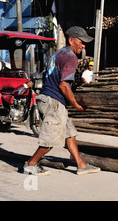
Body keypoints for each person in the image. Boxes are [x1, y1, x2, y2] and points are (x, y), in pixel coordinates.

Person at [24, 26, 100, 176]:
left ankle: (81, 165)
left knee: (69, 134)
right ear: (71, 40)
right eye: (81, 42)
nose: (83, 45)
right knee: (51, 139)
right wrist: (76, 105)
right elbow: (63, 84)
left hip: (51, 99)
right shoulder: (70, 57)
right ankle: (30, 164)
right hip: (54, 102)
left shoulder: (58, 54)